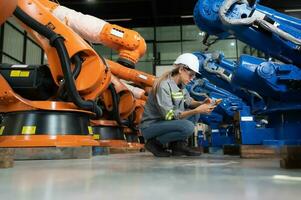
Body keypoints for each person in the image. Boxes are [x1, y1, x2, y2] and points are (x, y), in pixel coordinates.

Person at [140, 53, 216, 157]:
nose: (192, 78)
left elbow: (188, 101)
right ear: (181, 70)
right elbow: (169, 115)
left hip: (165, 123)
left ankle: (178, 147)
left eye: (194, 75)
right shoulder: (163, 86)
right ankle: (154, 143)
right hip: (151, 126)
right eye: (191, 74)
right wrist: (197, 110)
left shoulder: (181, 86)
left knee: (195, 114)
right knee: (188, 126)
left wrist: (201, 103)